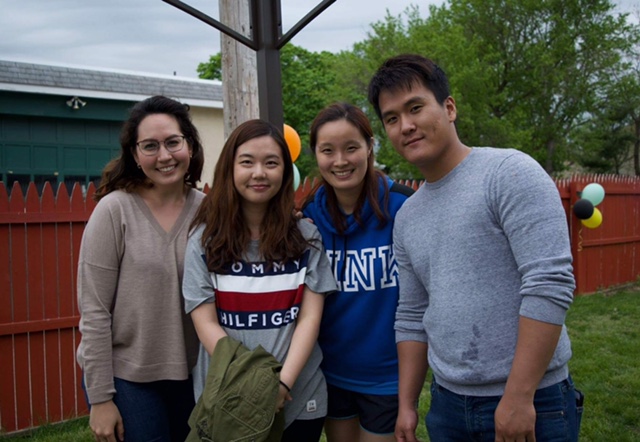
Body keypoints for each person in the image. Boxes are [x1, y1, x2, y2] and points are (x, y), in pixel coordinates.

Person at [367, 54, 582, 442]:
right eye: (392, 118)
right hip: (447, 406)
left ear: (449, 108)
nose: (406, 125)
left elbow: (549, 284)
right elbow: (412, 314)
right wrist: (407, 404)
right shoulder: (408, 215)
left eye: (415, 108)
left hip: (534, 400)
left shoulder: (508, 173)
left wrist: (518, 397)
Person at [182, 119, 337, 442]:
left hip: (299, 397)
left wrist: (281, 384)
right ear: (229, 168)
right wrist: (254, 387)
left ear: (285, 172)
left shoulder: (306, 237)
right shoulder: (204, 241)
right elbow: (206, 323)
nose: (259, 173)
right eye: (247, 162)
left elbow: (309, 319)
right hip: (229, 399)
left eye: (271, 163)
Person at [76, 95, 205, 442]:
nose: (164, 156)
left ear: (190, 146)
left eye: (173, 142)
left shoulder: (209, 212)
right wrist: (100, 398)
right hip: (128, 378)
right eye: (150, 146)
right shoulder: (114, 211)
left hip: (195, 374)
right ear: (134, 155)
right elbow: (94, 311)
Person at [301, 102, 413, 442]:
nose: (340, 161)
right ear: (315, 154)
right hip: (330, 371)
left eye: (351, 148)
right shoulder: (309, 216)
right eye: (328, 150)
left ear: (369, 147)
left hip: (387, 376)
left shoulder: (403, 206)